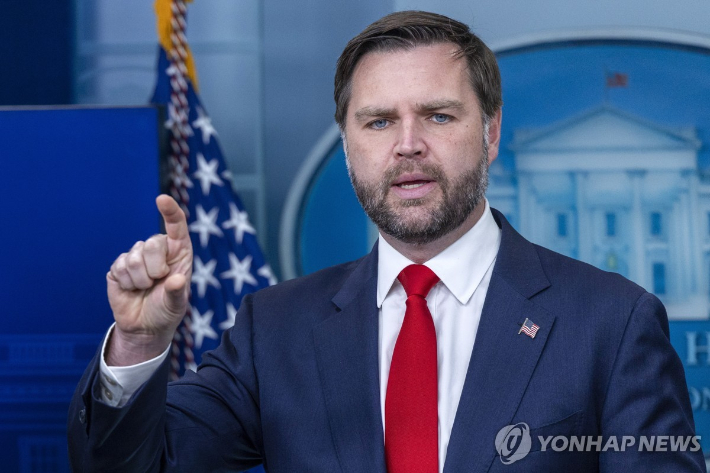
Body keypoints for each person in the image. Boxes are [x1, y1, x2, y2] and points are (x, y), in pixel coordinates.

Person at [67, 10, 704, 473]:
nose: (407, 145)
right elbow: (136, 465)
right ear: (348, 145)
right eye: (377, 122)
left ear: (490, 133)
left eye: (438, 115)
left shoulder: (612, 321)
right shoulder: (276, 328)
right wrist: (139, 344)